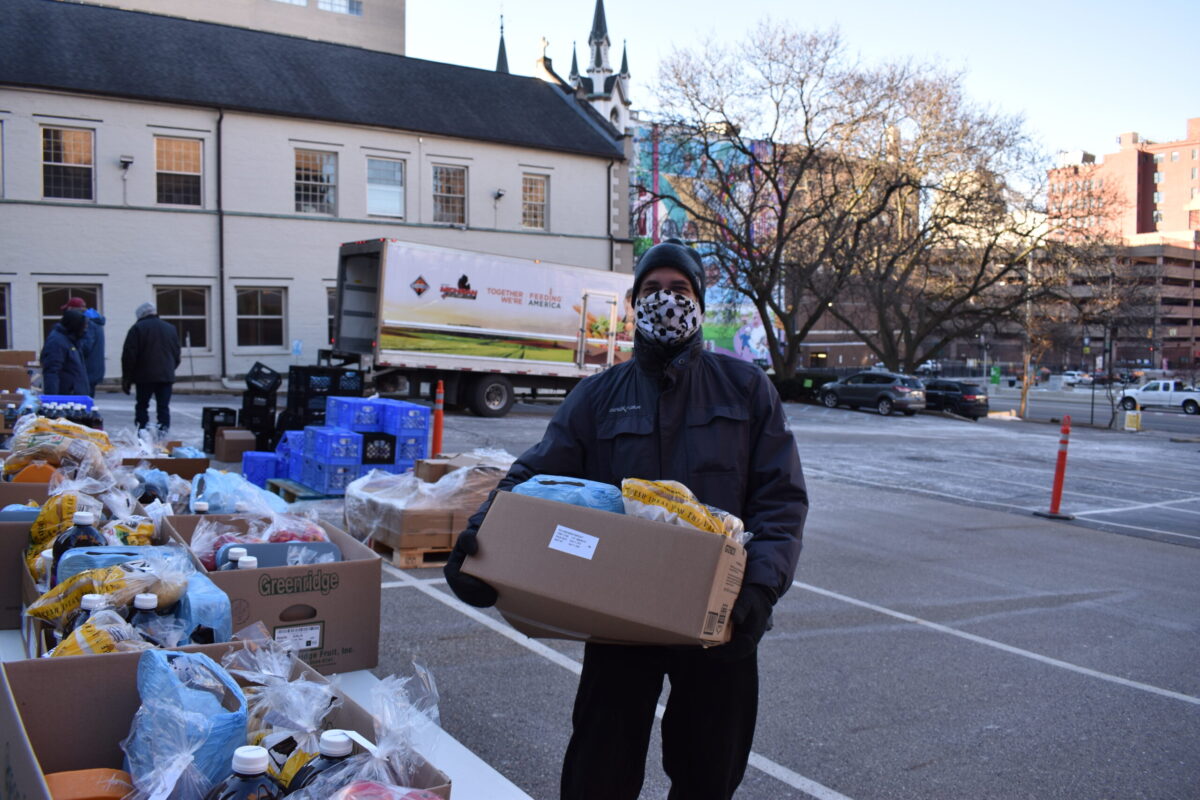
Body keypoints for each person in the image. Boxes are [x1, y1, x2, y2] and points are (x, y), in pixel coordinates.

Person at [444, 238, 808, 800]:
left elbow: (780, 498)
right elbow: (535, 476)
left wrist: (760, 587)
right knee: (599, 769)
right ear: (635, 303)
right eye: (653, 289)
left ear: (699, 301)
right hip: (619, 610)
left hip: (718, 616)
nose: (667, 299)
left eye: (680, 288)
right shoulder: (599, 396)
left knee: (709, 771)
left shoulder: (745, 389)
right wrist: (481, 538)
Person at [121, 301, 181, 432]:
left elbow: (129, 356)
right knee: (163, 407)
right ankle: (163, 433)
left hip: (144, 376)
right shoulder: (170, 328)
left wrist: (127, 379)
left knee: (142, 405)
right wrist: (170, 368)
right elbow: (176, 353)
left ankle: (142, 432)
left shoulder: (137, 329)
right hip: (166, 375)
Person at [40, 309, 91, 395]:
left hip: (74, 393)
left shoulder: (72, 339)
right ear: (75, 325)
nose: (85, 329)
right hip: (67, 395)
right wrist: (52, 399)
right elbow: (52, 371)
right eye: (84, 326)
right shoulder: (57, 342)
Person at [62, 297, 106, 396]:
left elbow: (85, 347)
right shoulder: (95, 322)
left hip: (86, 371)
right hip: (93, 370)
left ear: (72, 309)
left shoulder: (87, 324)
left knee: (82, 401)